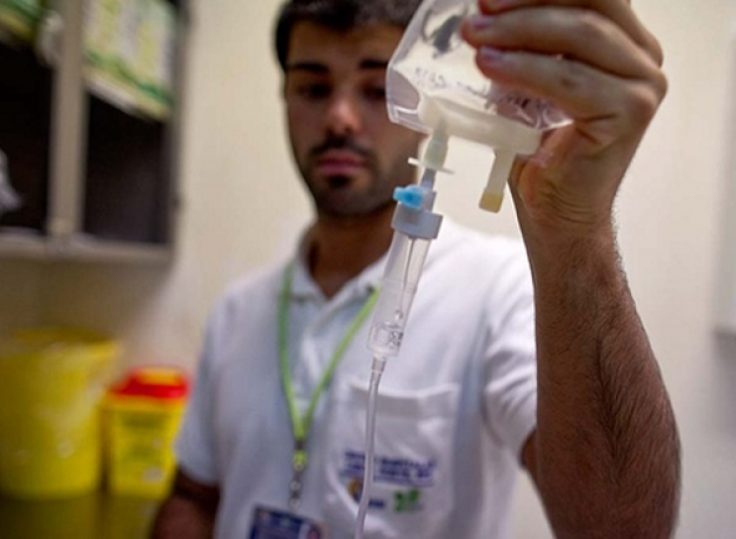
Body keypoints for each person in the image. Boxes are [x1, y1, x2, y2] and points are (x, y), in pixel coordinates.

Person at [152, 0, 680, 537]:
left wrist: (574, 232)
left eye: (376, 88)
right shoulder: (239, 312)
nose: (339, 118)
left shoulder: (497, 295)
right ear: (285, 97)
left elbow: (621, 530)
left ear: (427, 95)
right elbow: (195, 495)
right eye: (313, 88)